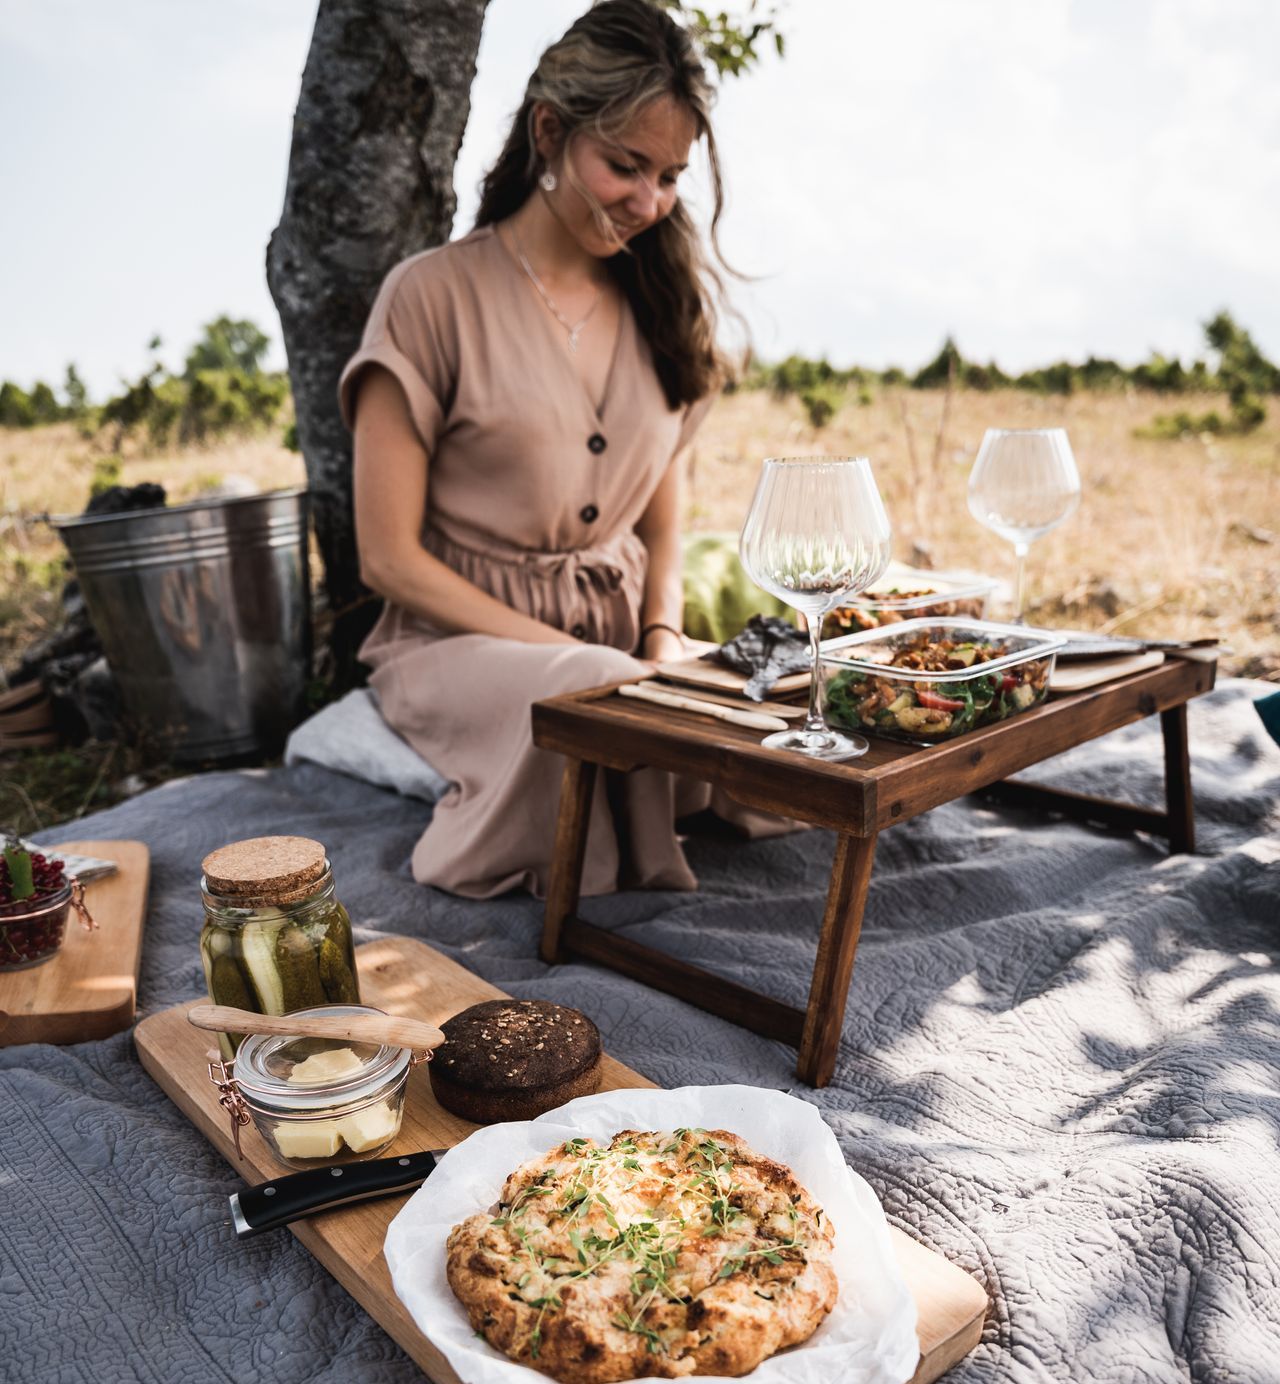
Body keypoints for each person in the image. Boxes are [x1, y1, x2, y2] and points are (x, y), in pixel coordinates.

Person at [341, 0, 764, 899]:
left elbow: (664, 503)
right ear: (549, 131)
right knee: (588, 697)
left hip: (622, 641)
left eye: (670, 175)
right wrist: (590, 664)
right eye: (625, 166)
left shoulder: (663, 303)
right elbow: (387, 558)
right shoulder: (429, 298)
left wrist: (660, 634)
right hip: (454, 642)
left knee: (785, 710)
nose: (649, 202)